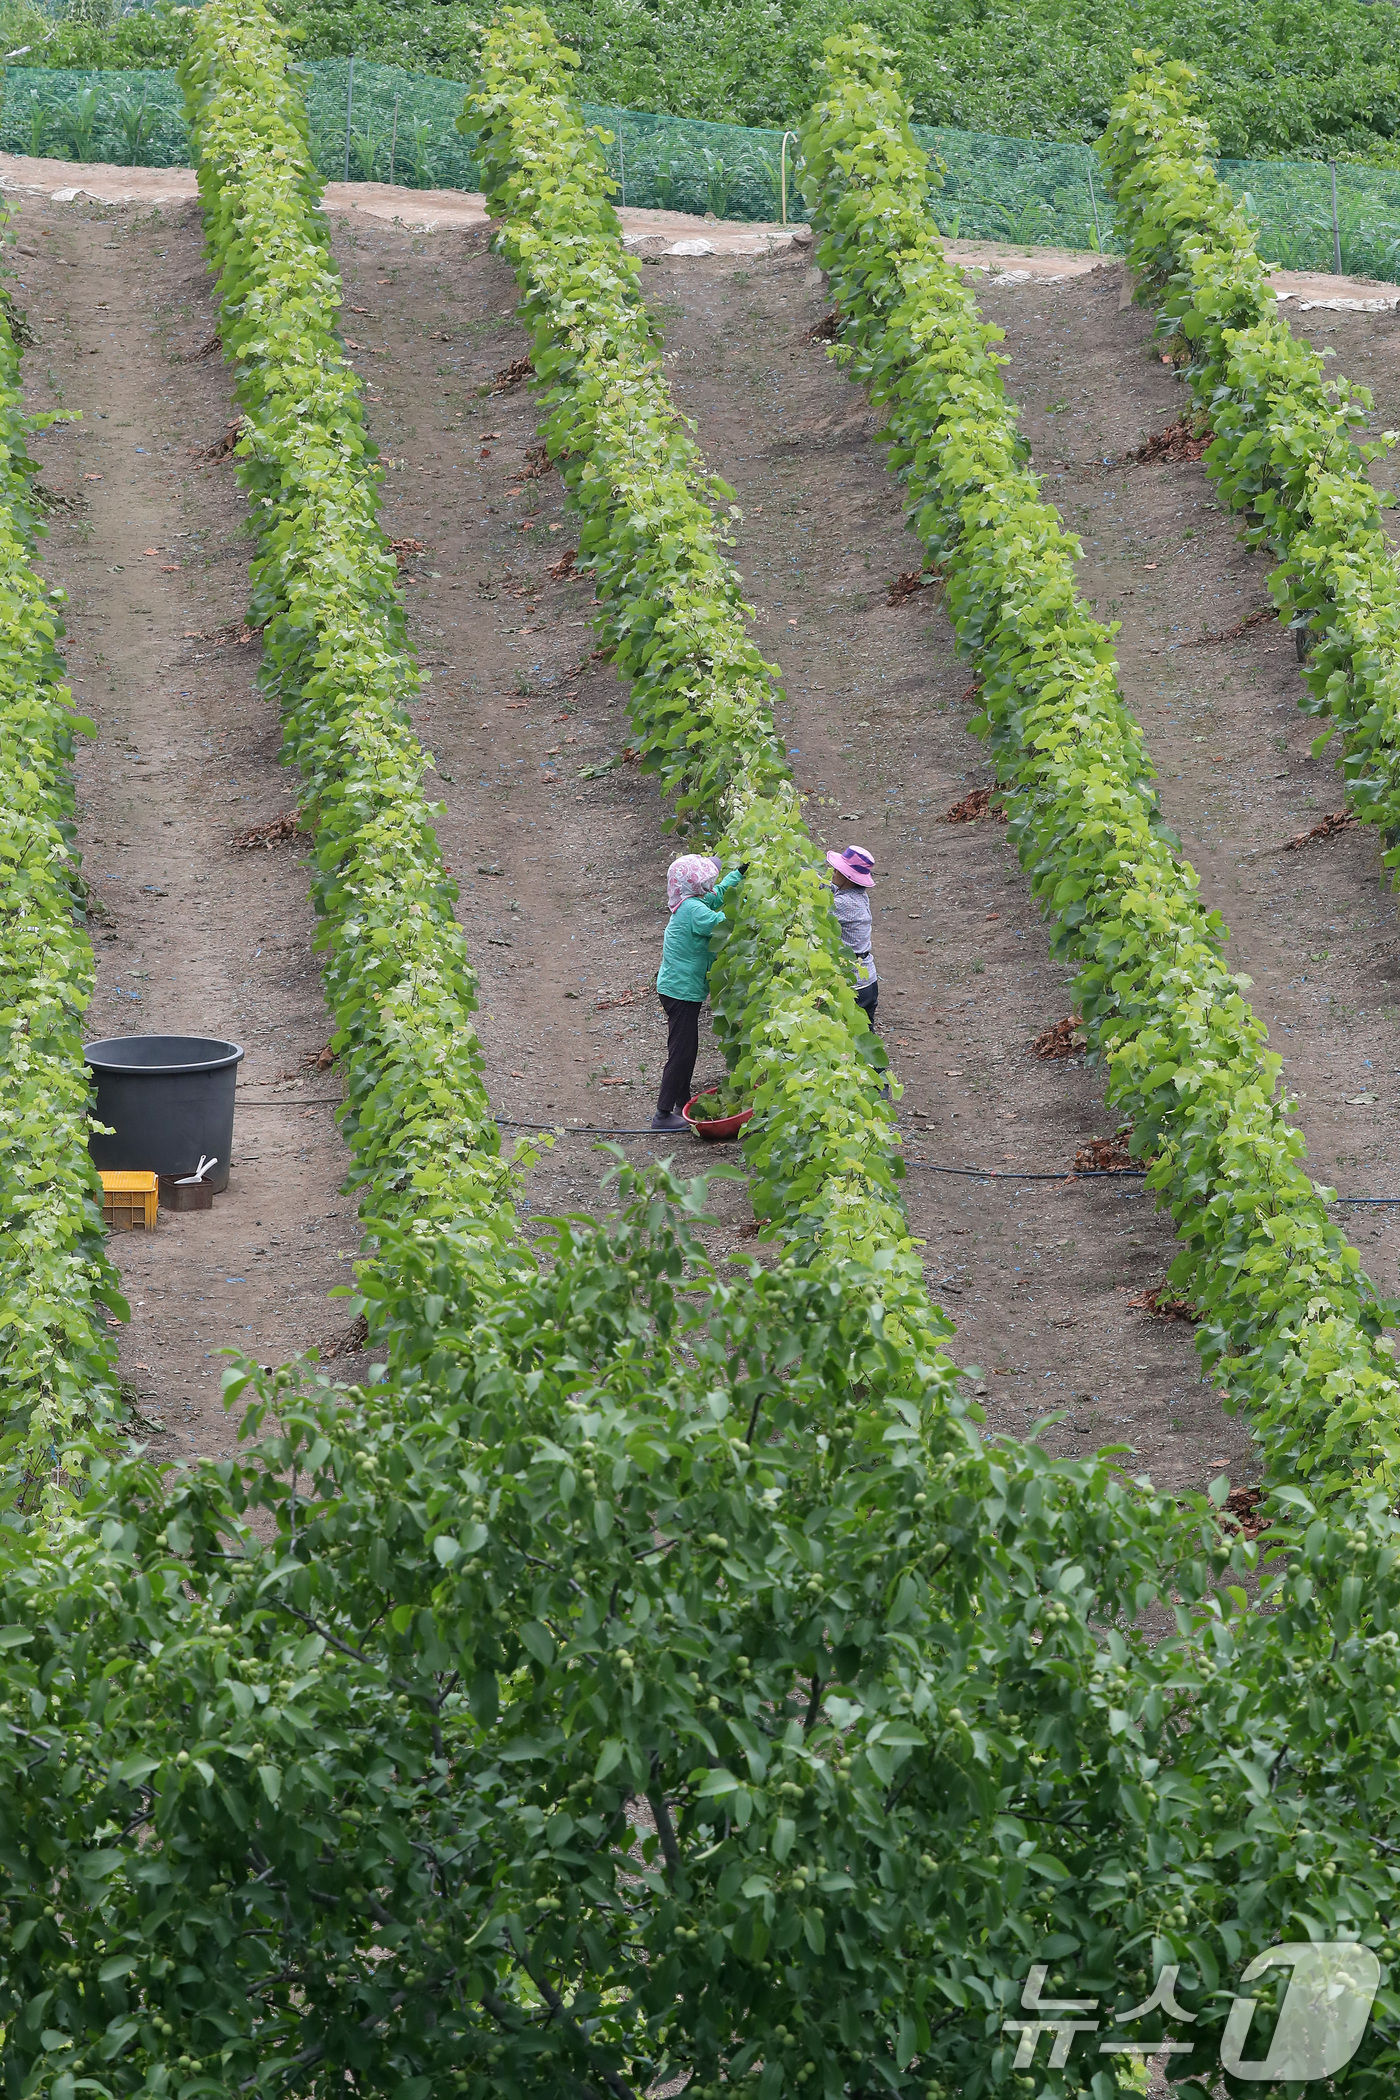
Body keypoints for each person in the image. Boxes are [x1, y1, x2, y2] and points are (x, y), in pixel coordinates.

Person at [651, 853, 744, 1132]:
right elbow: (722, 922)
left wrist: (738, 874)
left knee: (685, 1048)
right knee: (682, 1052)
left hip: (678, 989)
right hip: (681, 993)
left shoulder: (690, 902)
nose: (711, 887)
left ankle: (681, 1102)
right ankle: (662, 1114)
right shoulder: (695, 912)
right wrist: (749, 910)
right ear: (697, 886)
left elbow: (717, 897)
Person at [826, 843, 878, 1027]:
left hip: (855, 984)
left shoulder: (844, 904)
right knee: (863, 1034)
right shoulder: (858, 895)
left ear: (848, 877)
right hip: (867, 980)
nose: (832, 872)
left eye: (836, 871)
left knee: (849, 1039)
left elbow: (815, 913)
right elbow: (832, 891)